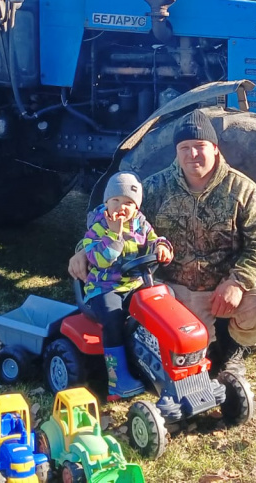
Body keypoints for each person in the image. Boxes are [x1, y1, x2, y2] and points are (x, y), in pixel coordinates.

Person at [71, 109, 256, 376]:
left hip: (222, 285)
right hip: (172, 288)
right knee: (172, 348)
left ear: (215, 149)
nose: (192, 154)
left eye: (199, 146)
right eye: (185, 147)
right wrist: (81, 251)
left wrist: (237, 282)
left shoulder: (243, 190)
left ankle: (230, 352)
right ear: (176, 152)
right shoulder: (156, 188)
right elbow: (114, 221)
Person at [79, 171, 174, 399]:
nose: (122, 207)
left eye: (129, 203)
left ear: (137, 207)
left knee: (162, 303)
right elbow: (102, 260)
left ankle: (160, 362)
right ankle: (117, 379)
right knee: (114, 318)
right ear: (106, 203)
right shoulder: (97, 229)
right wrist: (115, 235)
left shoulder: (140, 224)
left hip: (133, 283)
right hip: (104, 287)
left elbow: (154, 238)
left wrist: (162, 247)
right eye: (116, 201)